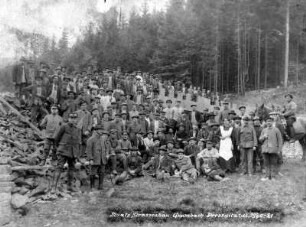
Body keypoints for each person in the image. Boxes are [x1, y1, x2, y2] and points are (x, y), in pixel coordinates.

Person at [51, 113, 82, 193]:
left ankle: (70, 186)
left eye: (74, 118)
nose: (73, 120)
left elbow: (78, 142)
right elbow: (56, 139)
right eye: (71, 118)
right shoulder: (64, 126)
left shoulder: (77, 129)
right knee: (59, 167)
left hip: (72, 152)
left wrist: (77, 154)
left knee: (71, 169)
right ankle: (54, 187)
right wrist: (58, 149)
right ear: (69, 119)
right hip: (63, 150)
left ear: (76, 120)